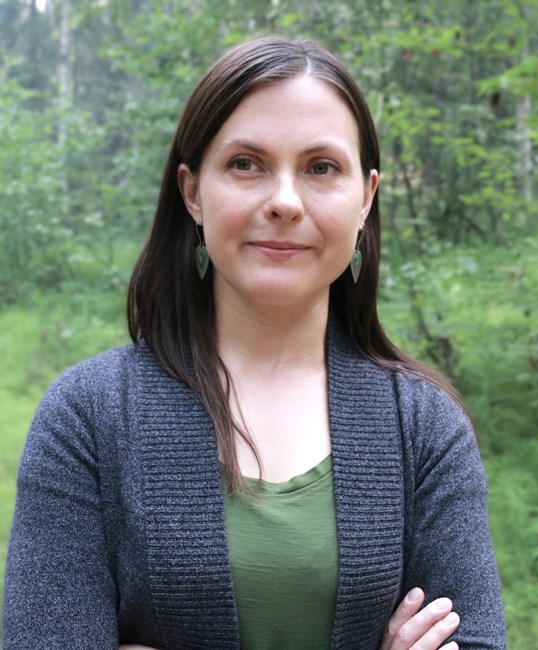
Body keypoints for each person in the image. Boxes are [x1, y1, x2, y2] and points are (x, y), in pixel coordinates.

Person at [2, 37, 506, 649]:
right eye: (246, 164)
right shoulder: (87, 417)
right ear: (193, 192)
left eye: (322, 168)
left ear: (366, 197)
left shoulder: (423, 426)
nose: (284, 202)